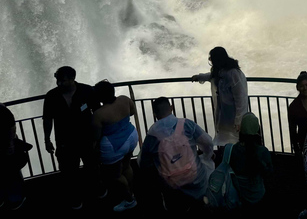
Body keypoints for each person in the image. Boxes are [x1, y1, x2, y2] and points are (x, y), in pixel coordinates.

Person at [138, 97, 214, 210]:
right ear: (172, 108)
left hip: (172, 188)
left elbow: (143, 163)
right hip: (197, 181)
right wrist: (206, 156)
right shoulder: (187, 124)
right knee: (205, 166)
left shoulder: (151, 136)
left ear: (155, 115)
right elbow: (208, 143)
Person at [42, 66, 101, 209]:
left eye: (63, 81)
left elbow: (97, 112)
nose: (59, 84)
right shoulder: (51, 96)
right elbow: (47, 119)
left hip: (87, 139)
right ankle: (76, 198)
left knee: (93, 167)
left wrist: (97, 137)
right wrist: (47, 139)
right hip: (64, 142)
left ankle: (98, 191)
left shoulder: (87, 91)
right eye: (57, 80)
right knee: (68, 173)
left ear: (73, 79)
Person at [92, 80, 139, 212]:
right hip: (130, 136)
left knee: (115, 175)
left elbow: (96, 136)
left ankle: (129, 200)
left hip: (113, 146)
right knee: (126, 166)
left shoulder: (99, 114)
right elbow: (132, 112)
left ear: (99, 97)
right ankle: (131, 192)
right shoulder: (124, 99)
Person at [191, 46, 248, 146]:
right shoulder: (220, 71)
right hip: (224, 113)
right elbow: (211, 76)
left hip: (233, 113)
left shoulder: (233, 73)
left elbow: (241, 98)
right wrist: (199, 77)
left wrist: (239, 119)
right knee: (225, 138)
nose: (211, 62)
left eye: (211, 59)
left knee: (234, 139)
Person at [228, 112, 273, 211]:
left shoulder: (234, 150)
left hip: (241, 197)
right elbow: (269, 174)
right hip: (259, 196)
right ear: (258, 131)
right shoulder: (262, 152)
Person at [0, 104, 31, 211]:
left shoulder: (2, 110)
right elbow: (11, 125)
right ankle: (15, 200)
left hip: (6, 152)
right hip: (7, 152)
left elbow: (11, 125)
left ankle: (13, 199)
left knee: (11, 176)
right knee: (12, 176)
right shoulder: (2, 110)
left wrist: (10, 144)